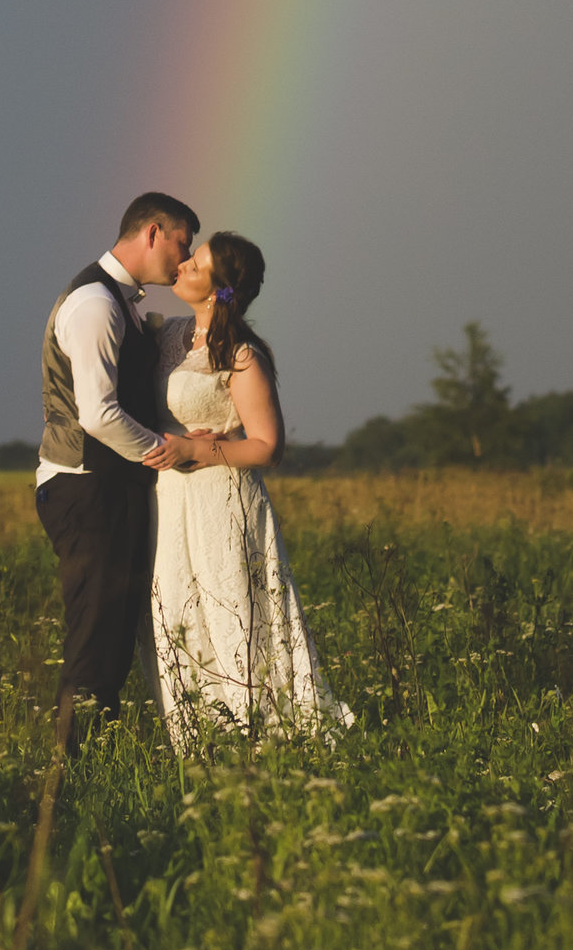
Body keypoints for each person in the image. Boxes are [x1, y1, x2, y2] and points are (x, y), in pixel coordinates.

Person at [145, 229, 348, 742]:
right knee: (177, 613)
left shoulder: (241, 356)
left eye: (197, 264)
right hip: (171, 503)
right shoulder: (168, 334)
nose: (184, 265)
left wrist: (196, 449)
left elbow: (267, 446)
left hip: (222, 500)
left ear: (217, 291)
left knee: (234, 611)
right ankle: (198, 740)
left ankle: (263, 735)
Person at [35, 192, 199, 725]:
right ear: (152, 232)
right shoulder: (95, 304)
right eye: (182, 242)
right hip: (86, 487)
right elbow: (99, 415)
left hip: (107, 488)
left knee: (112, 636)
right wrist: (168, 454)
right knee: (94, 637)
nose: (185, 256)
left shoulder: (120, 302)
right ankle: (72, 777)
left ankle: (91, 764)